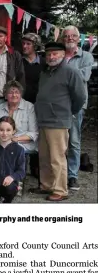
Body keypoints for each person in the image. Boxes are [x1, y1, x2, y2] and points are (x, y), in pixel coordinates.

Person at [31, 42, 86, 201]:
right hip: (43, 120)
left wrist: (69, 112)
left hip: (58, 122)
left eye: (55, 54)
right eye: (48, 54)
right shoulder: (45, 72)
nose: (51, 57)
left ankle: (61, 190)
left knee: (57, 157)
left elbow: (80, 97)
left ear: (63, 55)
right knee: (45, 156)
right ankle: (47, 185)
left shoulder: (71, 71)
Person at [61, 25, 95, 191]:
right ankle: (59, 174)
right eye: (66, 36)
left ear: (78, 38)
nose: (70, 39)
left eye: (73, 36)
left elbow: (84, 76)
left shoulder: (86, 56)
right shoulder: (58, 55)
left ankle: (72, 176)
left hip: (76, 105)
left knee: (74, 141)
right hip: (59, 104)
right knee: (58, 141)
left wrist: (63, 70)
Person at [0, 80, 38, 153]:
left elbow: (34, 133)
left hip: (23, 146)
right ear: (6, 95)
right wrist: (0, 137)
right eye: (10, 93)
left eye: (17, 92)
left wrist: (16, 139)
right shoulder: (0, 108)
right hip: (3, 144)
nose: (14, 95)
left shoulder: (29, 107)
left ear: (21, 95)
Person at [20, 33, 44, 104]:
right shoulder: (18, 61)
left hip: (39, 102)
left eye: (28, 44)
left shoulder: (44, 62)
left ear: (35, 46)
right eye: (23, 43)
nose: (24, 46)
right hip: (21, 102)